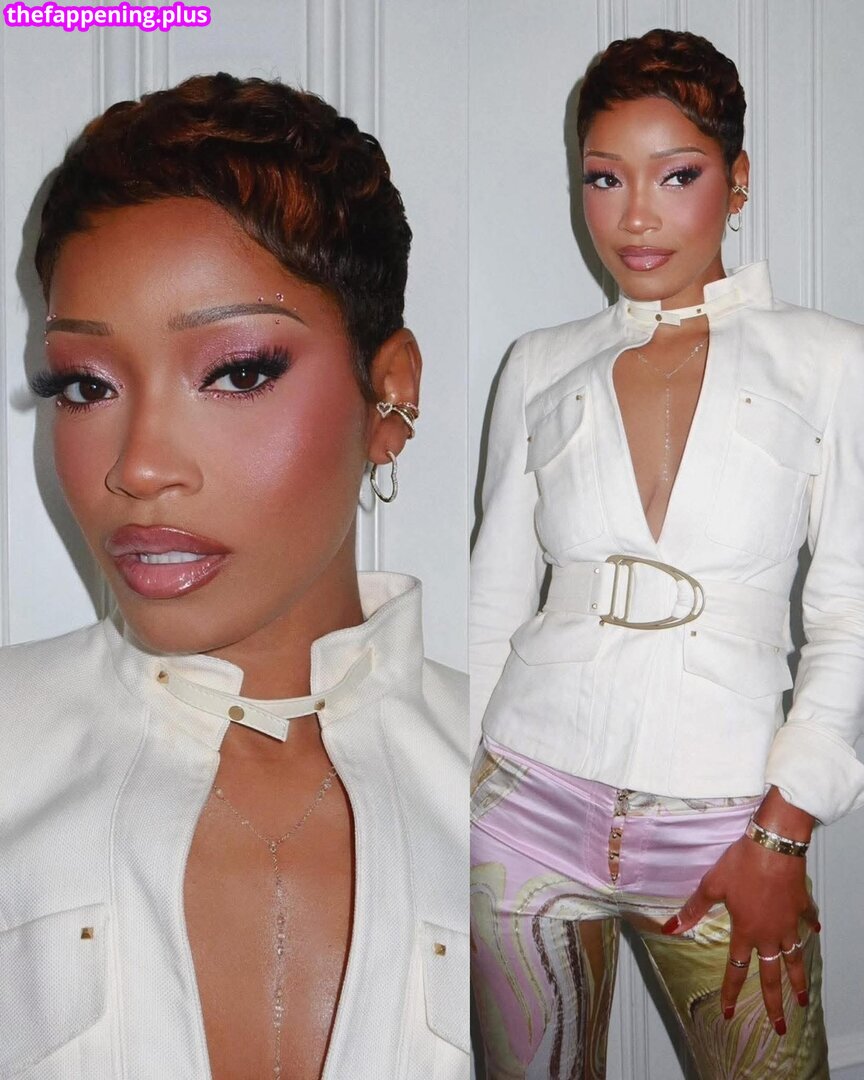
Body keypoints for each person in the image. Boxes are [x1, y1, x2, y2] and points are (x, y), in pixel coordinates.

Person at [0, 73, 468, 1080]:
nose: (138, 467)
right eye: (84, 385)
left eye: (238, 372)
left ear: (389, 396)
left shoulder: (517, 787)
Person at [470, 28, 864, 1080]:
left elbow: (850, 615)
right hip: (523, 809)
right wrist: (452, 795)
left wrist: (784, 831)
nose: (635, 216)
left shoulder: (830, 362)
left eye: (676, 175)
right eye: (604, 178)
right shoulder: (539, 364)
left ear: (738, 180)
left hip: (727, 822)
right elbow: (494, 601)